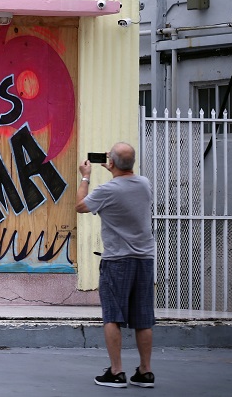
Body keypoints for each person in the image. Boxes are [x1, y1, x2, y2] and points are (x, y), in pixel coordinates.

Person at [76, 142, 156, 388]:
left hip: (117, 260)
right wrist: (114, 166)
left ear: (110, 163)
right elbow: (126, 185)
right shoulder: (144, 184)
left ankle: (116, 371)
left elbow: (80, 206)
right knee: (143, 317)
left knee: (112, 316)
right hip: (144, 258)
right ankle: (145, 372)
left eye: (110, 156)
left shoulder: (107, 190)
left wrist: (86, 177)